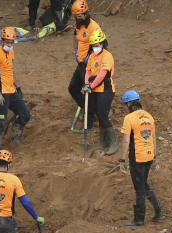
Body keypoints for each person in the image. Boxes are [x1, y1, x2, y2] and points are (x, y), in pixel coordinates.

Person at [119, 90, 163, 226]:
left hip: (137, 157)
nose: (126, 108)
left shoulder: (129, 118)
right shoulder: (149, 116)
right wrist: (154, 157)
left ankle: (139, 219)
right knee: (143, 184)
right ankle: (158, 211)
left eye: (126, 105)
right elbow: (154, 138)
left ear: (130, 104)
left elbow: (126, 141)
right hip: (149, 156)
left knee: (139, 188)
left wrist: (122, 160)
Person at [0, 27, 31, 153]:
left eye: (12, 42)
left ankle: (15, 140)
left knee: (25, 114)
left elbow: (10, 71)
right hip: (1, 93)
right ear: (1, 41)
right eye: (7, 42)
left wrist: (18, 87)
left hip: (11, 92)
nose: (10, 45)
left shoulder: (11, 53)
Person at [81, 30, 117, 155]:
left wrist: (90, 85)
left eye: (97, 45)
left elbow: (102, 74)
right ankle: (102, 142)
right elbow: (88, 72)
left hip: (105, 90)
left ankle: (113, 143)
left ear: (103, 44)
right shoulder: (91, 56)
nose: (95, 48)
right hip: (93, 90)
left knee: (103, 115)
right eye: (93, 46)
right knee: (99, 115)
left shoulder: (107, 56)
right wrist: (86, 84)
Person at [68, 0, 101, 133]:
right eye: (76, 17)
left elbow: (101, 46)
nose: (78, 19)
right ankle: (89, 110)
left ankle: (89, 123)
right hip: (81, 63)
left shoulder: (94, 27)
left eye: (80, 16)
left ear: (86, 13)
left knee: (88, 92)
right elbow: (76, 37)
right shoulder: (79, 25)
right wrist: (76, 51)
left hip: (89, 66)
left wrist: (90, 57)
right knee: (73, 88)